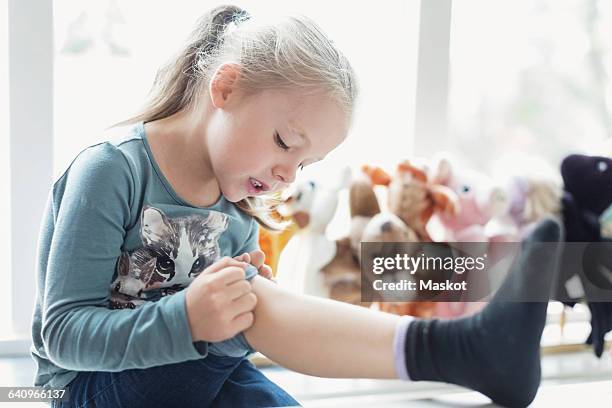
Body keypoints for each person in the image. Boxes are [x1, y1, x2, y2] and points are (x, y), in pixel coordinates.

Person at [31, 5, 563, 408]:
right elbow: (63, 335)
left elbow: (230, 343)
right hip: (81, 390)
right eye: (286, 142)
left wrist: (220, 313)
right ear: (226, 88)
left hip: (192, 376)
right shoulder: (113, 170)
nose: (288, 176)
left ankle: (463, 351)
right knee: (246, 302)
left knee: (254, 324)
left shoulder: (238, 210)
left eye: (306, 165)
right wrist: (191, 317)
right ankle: (461, 349)